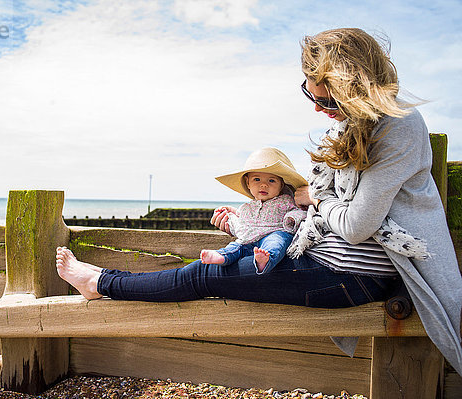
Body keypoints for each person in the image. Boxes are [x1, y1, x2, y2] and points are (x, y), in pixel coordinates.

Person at [56, 28, 462, 374]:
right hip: (329, 262)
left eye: (330, 101)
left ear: (357, 87)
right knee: (214, 266)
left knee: (204, 276)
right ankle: (101, 281)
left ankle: (100, 282)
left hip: (349, 277)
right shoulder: (366, 124)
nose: (320, 109)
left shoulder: (399, 126)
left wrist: (318, 201)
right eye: (311, 96)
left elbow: (357, 225)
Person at [199, 147, 307, 274]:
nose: (264, 185)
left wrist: (292, 219)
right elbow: (240, 225)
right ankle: (222, 256)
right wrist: (229, 216)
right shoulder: (246, 208)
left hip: (274, 232)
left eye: (271, 180)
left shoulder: (285, 201)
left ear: (281, 185)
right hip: (249, 239)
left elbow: (300, 212)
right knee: (236, 246)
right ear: (248, 183)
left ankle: (265, 260)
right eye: (257, 179)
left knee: (277, 242)